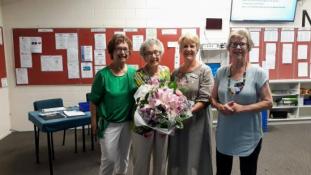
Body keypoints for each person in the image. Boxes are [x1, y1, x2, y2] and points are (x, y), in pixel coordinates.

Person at [210, 29, 273, 175]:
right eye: (234, 44)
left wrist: (241, 108)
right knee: (222, 172)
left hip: (249, 135)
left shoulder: (258, 73)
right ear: (229, 48)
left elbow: (268, 102)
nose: (238, 47)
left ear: (249, 46)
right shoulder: (221, 72)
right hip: (225, 134)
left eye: (242, 44)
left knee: (248, 171)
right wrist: (220, 106)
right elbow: (213, 98)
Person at [89, 34, 136, 175]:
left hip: (128, 123)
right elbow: (93, 101)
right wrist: (93, 121)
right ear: (112, 52)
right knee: (109, 159)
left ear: (129, 52)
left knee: (124, 159)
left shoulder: (134, 73)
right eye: (118, 49)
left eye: (125, 49)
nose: (122, 52)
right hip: (109, 124)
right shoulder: (103, 75)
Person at [167, 33, 214, 175]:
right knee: (177, 154)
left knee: (196, 154)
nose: (188, 49)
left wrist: (187, 111)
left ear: (197, 48)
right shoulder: (175, 72)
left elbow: (205, 99)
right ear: (180, 50)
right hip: (178, 121)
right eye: (185, 46)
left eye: (192, 46)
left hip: (197, 121)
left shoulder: (205, 71)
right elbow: (170, 94)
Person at [132, 38, 170, 175]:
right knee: (141, 161)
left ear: (161, 53)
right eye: (149, 53)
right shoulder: (138, 75)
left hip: (162, 124)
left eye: (156, 52)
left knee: (161, 161)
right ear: (143, 56)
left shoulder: (166, 71)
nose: (154, 56)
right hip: (143, 124)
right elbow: (141, 100)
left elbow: (169, 94)